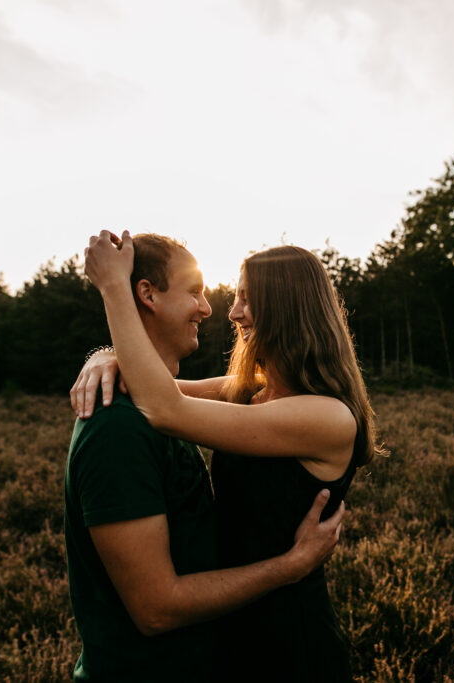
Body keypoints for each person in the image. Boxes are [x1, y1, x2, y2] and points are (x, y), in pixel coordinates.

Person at [77, 230, 382, 682]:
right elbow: (153, 383)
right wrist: (103, 356)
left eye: (246, 299)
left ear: (287, 306)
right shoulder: (251, 391)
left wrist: (113, 288)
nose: (233, 312)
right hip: (232, 629)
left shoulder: (327, 416)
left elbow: (164, 407)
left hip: (290, 642)